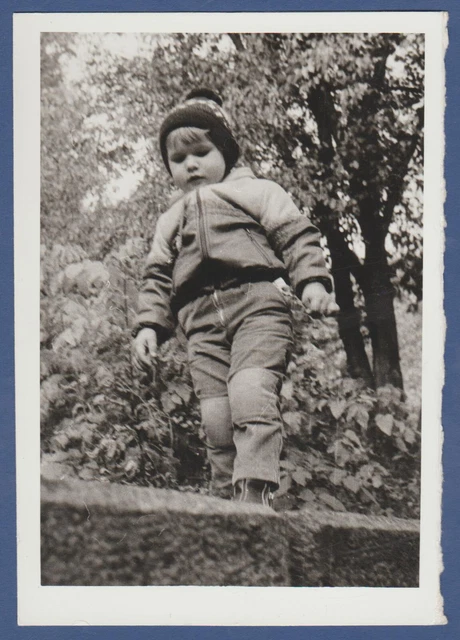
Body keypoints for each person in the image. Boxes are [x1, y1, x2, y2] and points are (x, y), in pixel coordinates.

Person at [132, 88, 338, 507]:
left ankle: (255, 495)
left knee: (249, 393)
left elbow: (296, 235)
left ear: (225, 152)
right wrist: (149, 325)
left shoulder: (258, 191)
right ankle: (224, 505)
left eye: (202, 152)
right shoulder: (170, 219)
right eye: (178, 159)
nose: (191, 164)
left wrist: (312, 281)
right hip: (201, 323)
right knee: (216, 419)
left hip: (256, 305)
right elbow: (157, 275)